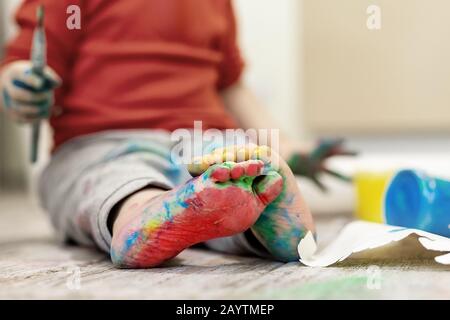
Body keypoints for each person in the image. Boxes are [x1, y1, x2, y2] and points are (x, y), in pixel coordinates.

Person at [0, 0, 320, 268]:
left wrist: (285, 146)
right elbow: (24, 64)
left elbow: (231, 87)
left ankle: (255, 216)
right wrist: (21, 85)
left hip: (202, 142)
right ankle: (151, 212)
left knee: (239, 167)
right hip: (104, 143)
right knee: (112, 180)